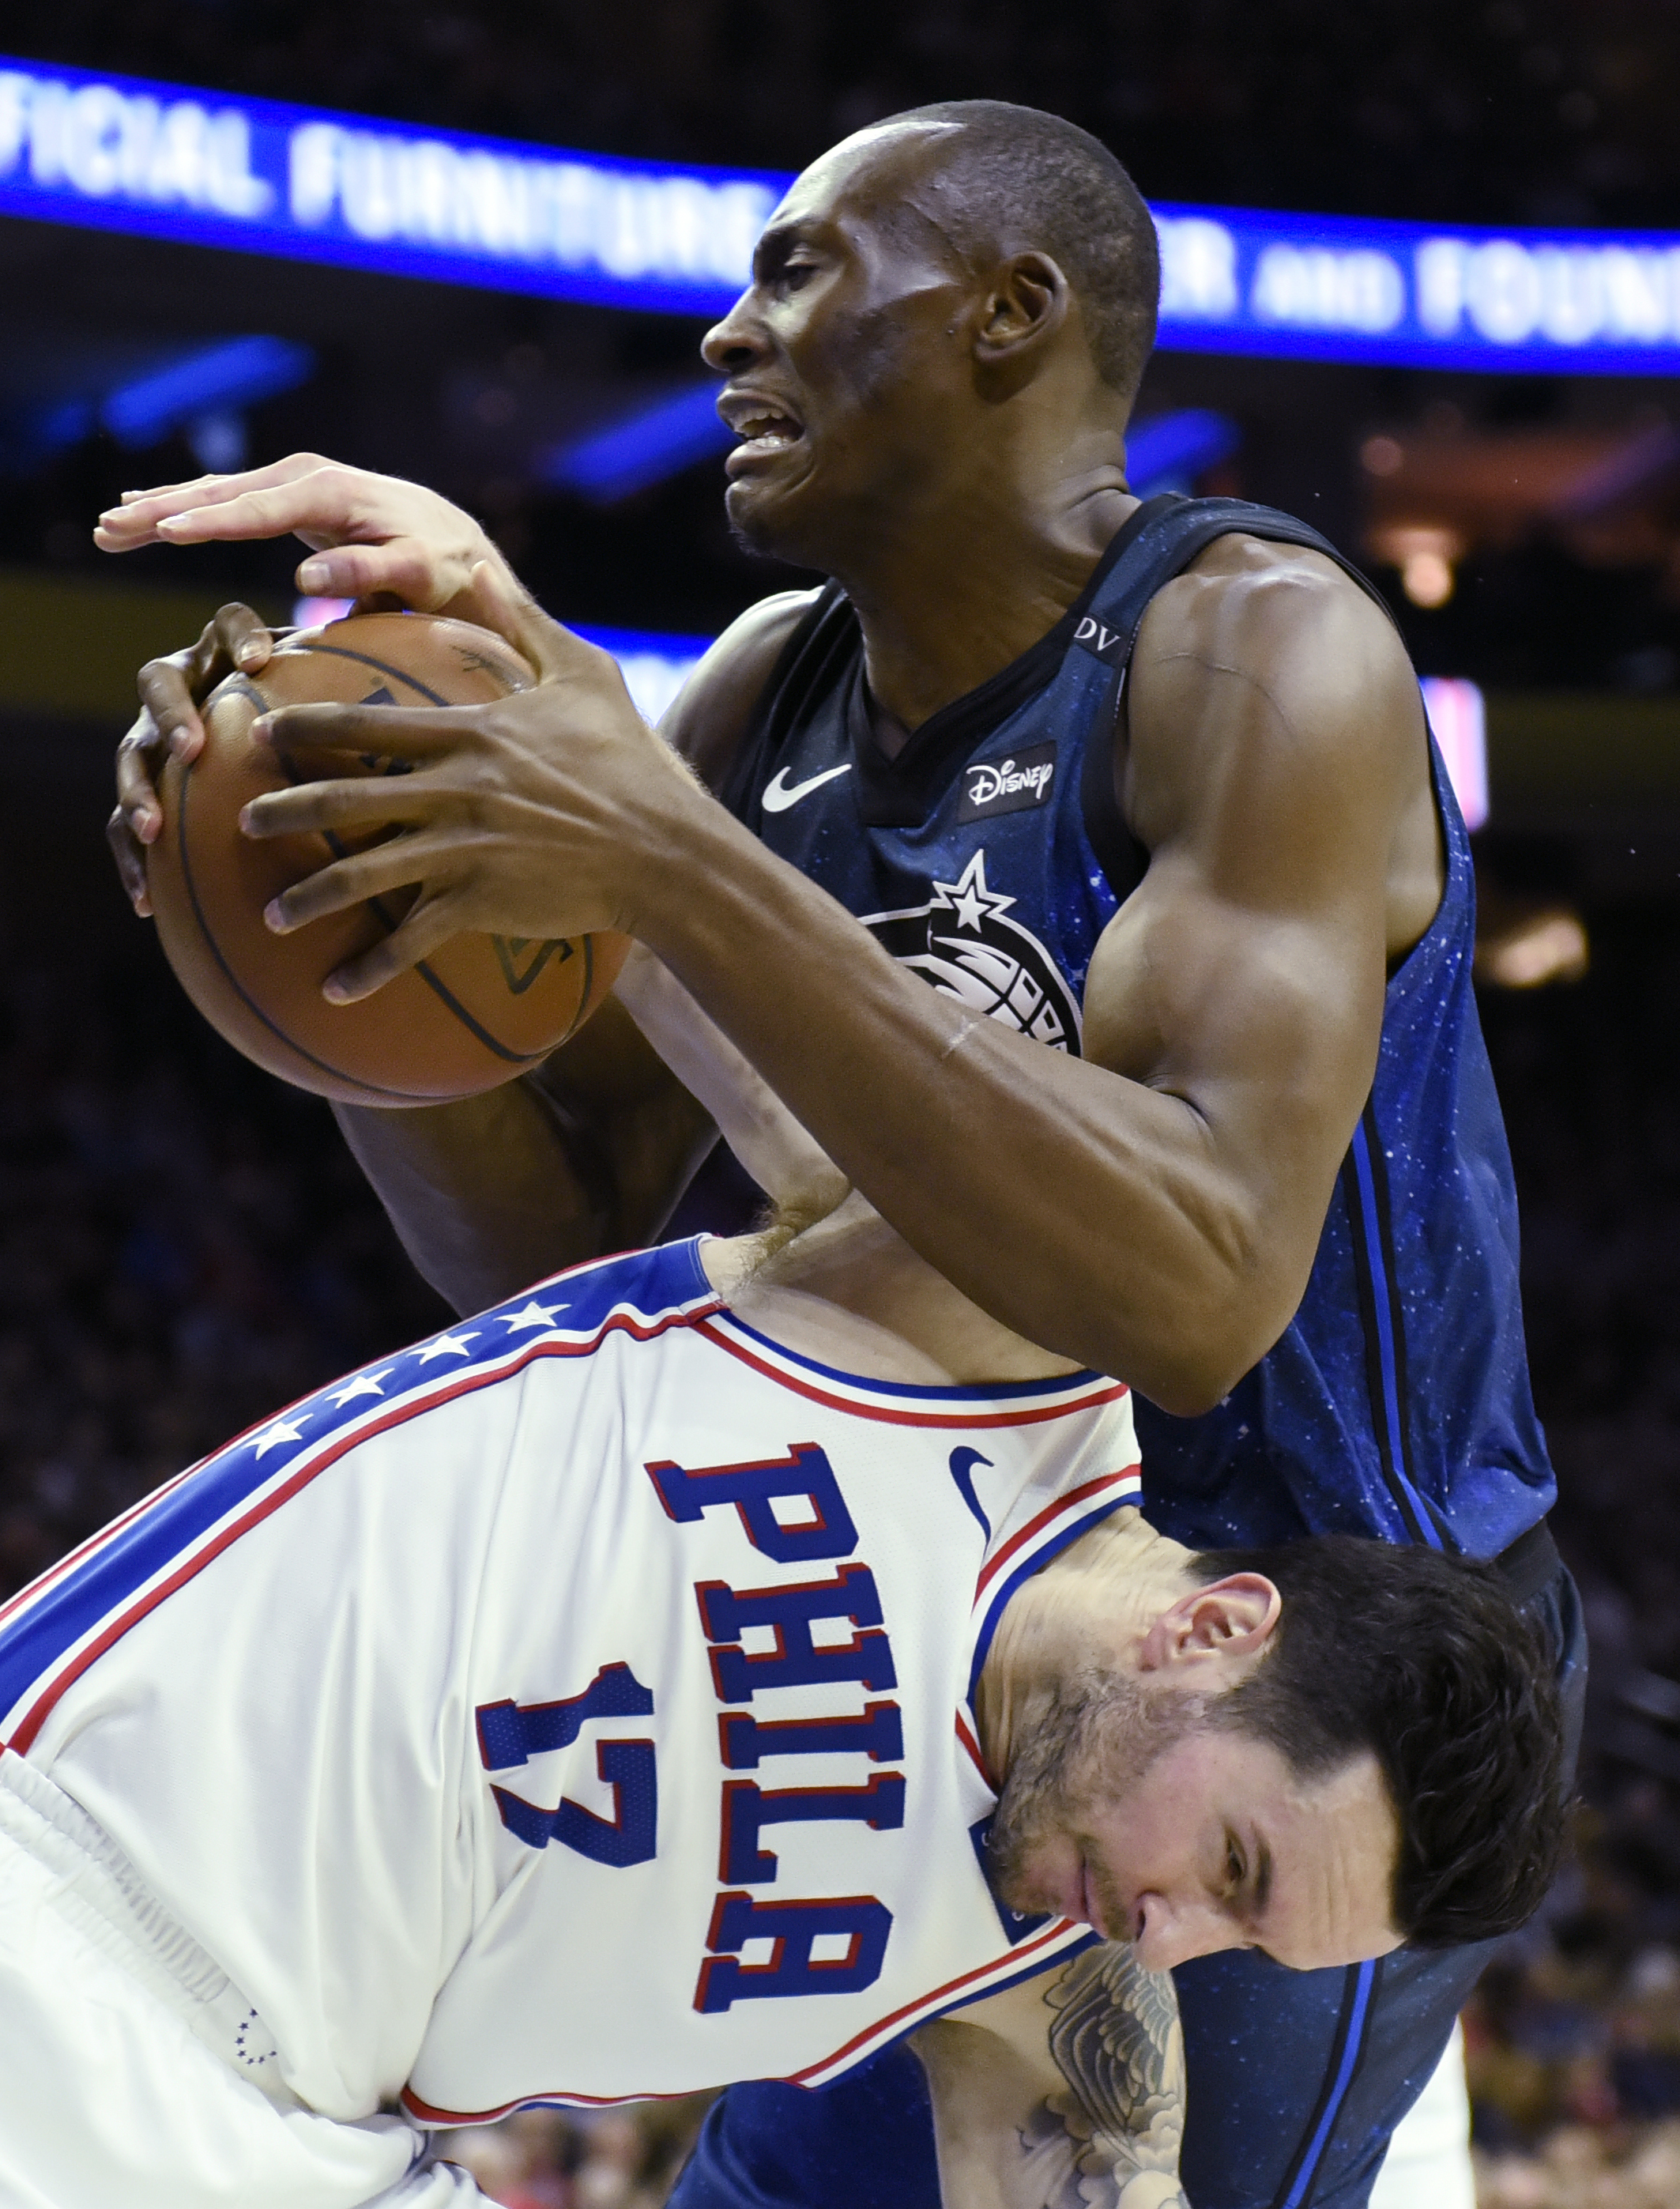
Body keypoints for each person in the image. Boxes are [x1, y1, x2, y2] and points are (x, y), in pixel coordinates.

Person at [97, 99, 1584, 2209]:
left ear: (1010, 314)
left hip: (1295, 1676)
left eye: (796, 270)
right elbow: (573, 1246)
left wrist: (665, 856)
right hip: (962, 1617)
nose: (722, 336)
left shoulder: (1247, 647)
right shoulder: (755, 704)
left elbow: (1198, 1291)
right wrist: (348, 962)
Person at [0, 956, 1565, 2208]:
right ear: (1214, 1631)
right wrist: (441, 690)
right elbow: (668, 893)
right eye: (1234, 1870)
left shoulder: (1046, 1994)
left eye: (1239, 1944)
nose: (1170, 1942)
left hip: (308, 2142)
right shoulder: (993, 1336)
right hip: (70, 1896)